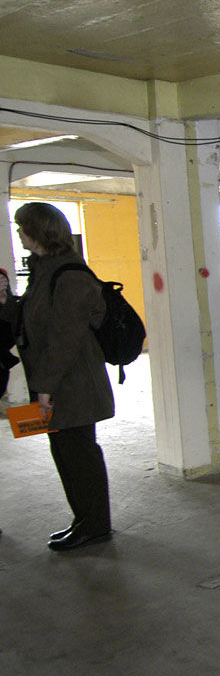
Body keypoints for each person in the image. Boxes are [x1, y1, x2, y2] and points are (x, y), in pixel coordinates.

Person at [0, 203, 114, 551]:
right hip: (55, 381)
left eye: (22, 228)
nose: (19, 234)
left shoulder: (70, 276)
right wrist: (6, 300)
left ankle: (95, 525)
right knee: (64, 453)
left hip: (74, 384)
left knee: (80, 456)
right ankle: (83, 519)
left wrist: (44, 390)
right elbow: (33, 321)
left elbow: (65, 339)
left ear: (38, 232)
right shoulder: (45, 270)